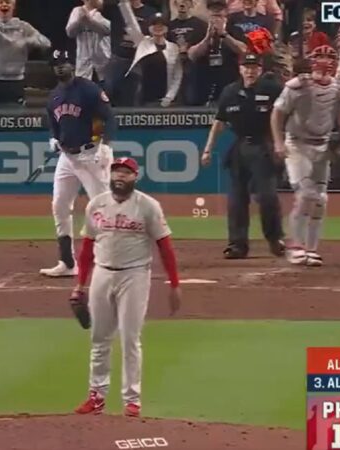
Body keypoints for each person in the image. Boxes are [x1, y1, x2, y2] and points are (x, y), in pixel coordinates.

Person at [70, 156, 181, 418]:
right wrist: (80, 285)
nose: (120, 176)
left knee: (130, 339)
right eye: (116, 171)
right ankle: (96, 396)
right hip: (102, 273)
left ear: (135, 176)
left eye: (126, 172)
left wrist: (174, 284)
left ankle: (132, 400)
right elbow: (86, 249)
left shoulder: (148, 206)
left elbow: (165, 247)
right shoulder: (96, 205)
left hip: (135, 276)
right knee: (99, 338)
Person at [270, 45, 340, 267]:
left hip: (323, 144)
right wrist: (278, 142)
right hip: (297, 144)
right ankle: (296, 247)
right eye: (321, 57)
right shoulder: (297, 86)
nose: (326, 61)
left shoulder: (338, 88)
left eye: (330, 57)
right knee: (306, 194)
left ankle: (311, 248)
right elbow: (277, 114)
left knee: (321, 199)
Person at [200, 53, 284, 259]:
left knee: (267, 196)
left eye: (254, 67)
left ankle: (275, 239)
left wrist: (281, 142)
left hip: (264, 145)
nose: (250, 71)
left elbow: (286, 114)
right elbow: (219, 122)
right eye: (246, 67)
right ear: (240, 69)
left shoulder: (272, 89)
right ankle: (237, 244)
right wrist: (208, 149)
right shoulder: (230, 91)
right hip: (240, 146)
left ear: (261, 70)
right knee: (237, 199)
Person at [39, 49, 115, 278]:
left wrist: (104, 146)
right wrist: (53, 138)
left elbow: (108, 117)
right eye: (56, 64)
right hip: (68, 157)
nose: (60, 67)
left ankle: (112, 259)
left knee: (103, 207)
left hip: (91, 154)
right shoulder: (54, 96)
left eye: (64, 62)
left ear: (71, 65)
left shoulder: (88, 89)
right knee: (60, 205)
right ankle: (67, 262)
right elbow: (54, 123)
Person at [119, 7, 182, 107]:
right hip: (143, 97)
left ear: (166, 28)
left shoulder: (173, 48)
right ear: (149, 28)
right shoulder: (143, 43)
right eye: (154, 24)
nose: (158, 27)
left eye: (161, 24)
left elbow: (177, 75)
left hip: (164, 98)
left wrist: (170, 97)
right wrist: (124, 4)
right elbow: (131, 23)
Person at [65, 0, 111, 83]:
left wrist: (89, 22)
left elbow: (107, 30)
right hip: (84, 63)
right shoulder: (77, 11)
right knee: (84, 90)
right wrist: (79, 22)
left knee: (104, 90)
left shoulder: (105, 11)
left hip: (103, 61)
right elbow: (70, 33)